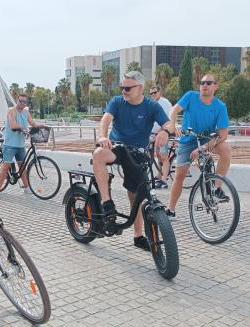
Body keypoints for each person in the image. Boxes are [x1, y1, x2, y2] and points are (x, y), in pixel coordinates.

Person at [92, 71, 172, 251]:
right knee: (98, 154)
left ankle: (138, 236)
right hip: (117, 147)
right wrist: (103, 136)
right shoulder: (117, 102)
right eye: (122, 88)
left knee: (136, 196)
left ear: (140, 88)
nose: (124, 91)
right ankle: (107, 203)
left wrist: (165, 132)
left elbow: (169, 124)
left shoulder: (151, 106)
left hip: (138, 152)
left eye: (127, 88)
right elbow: (105, 120)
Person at [166, 74, 231, 219]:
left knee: (226, 150)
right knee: (180, 175)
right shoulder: (190, 96)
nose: (204, 85)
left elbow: (223, 134)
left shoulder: (220, 106)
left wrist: (203, 148)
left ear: (215, 86)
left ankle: (217, 188)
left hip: (206, 141)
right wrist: (172, 124)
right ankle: (170, 209)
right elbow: (174, 110)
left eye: (208, 83)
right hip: (188, 140)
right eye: (202, 82)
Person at [0, 94, 48, 200]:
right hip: (10, 144)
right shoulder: (11, 111)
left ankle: (27, 188)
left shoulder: (26, 112)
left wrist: (43, 126)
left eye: (24, 102)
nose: (22, 103)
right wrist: (23, 128)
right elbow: (13, 125)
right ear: (17, 100)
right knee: (5, 167)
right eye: (20, 101)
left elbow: (33, 123)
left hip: (20, 145)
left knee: (22, 167)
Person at [149, 86, 173, 189]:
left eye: (155, 92)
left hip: (164, 133)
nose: (153, 95)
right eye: (151, 93)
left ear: (160, 92)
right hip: (155, 134)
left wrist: (160, 132)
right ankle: (160, 175)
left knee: (163, 156)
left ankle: (164, 180)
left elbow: (167, 120)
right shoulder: (153, 104)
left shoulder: (165, 103)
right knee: (158, 155)